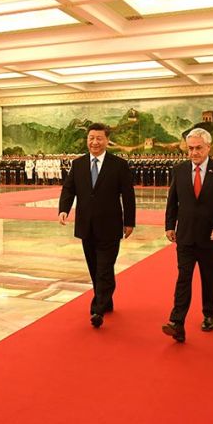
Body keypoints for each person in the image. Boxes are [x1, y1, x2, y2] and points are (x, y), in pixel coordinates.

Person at [58, 122, 136, 328]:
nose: (94, 142)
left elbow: (128, 195)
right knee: (94, 268)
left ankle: (98, 309)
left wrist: (129, 221)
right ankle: (106, 300)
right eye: (91, 138)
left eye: (99, 138)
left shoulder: (118, 165)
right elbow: (69, 190)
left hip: (110, 226)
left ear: (107, 141)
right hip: (86, 226)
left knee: (104, 268)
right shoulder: (78, 164)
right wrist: (63, 209)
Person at [162, 128, 213, 343]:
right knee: (183, 279)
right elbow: (172, 201)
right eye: (190, 148)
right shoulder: (180, 170)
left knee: (210, 278)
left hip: (211, 237)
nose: (193, 152)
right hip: (185, 236)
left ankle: (209, 314)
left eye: (198, 148)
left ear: (208, 148)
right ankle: (177, 322)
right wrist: (169, 225)